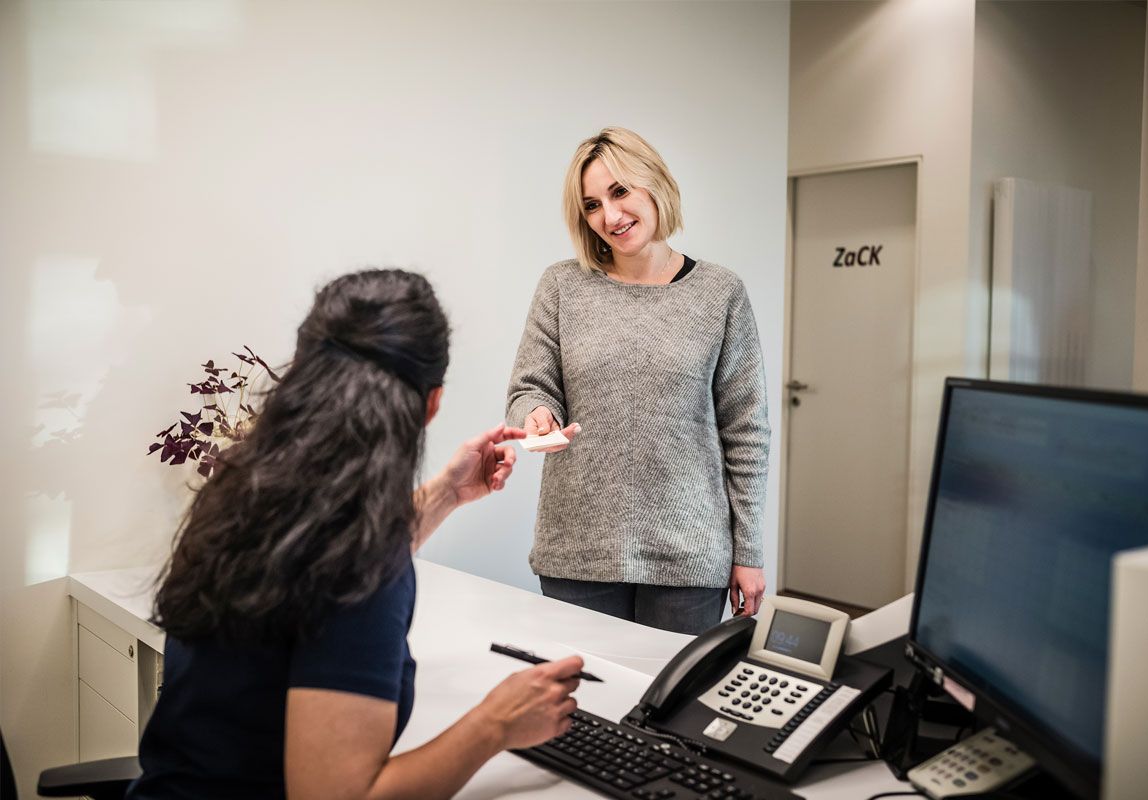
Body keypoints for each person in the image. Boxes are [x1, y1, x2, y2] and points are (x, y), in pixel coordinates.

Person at [127, 269, 583, 800]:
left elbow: (334, 554)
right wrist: (495, 723)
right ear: (431, 403)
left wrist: (446, 494)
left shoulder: (238, 488)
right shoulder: (362, 567)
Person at [506, 127, 771, 636]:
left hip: (689, 556)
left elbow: (746, 432)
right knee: (583, 688)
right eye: (592, 205)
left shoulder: (720, 293)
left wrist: (749, 551)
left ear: (654, 184)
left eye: (620, 191)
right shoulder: (561, 285)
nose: (610, 216)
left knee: (671, 690)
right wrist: (536, 415)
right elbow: (528, 388)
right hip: (578, 553)